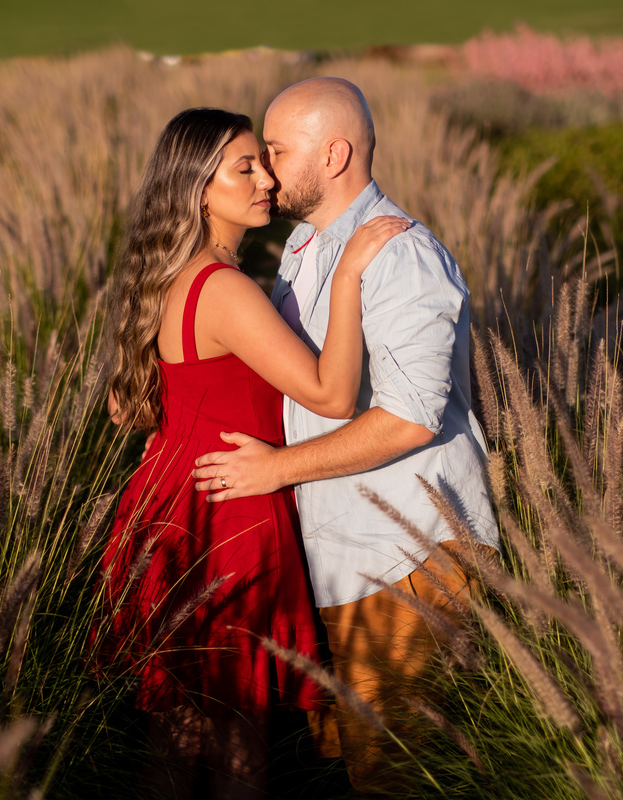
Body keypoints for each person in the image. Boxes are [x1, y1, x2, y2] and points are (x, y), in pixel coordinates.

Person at [190, 78, 501, 792]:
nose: (264, 169)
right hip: (339, 556)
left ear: (333, 154)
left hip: (407, 557)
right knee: (361, 768)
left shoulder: (399, 255)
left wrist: (278, 470)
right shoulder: (304, 246)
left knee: (406, 774)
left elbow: (412, 417)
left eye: (276, 149)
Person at [96, 106, 410, 800]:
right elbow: (332, 396)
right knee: (240, 746)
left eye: (263, 162)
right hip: (231, 513)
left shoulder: (167, 277)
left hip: (171, 505)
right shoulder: (225, 288)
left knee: (174, 742)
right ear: (199, 189)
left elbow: (130, 409)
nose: (266, 178)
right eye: (246, 167)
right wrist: (352, 273)